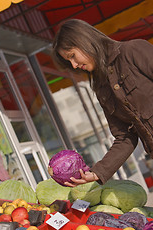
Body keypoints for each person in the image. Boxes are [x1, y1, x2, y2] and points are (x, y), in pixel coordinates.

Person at [52, 18, 153, 187]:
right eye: (69, 61)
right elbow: (125, 137)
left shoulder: (133, 51)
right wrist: (97, 173)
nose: (74, 65)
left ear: (84, 41)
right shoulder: (101, 89)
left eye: (72, 56)